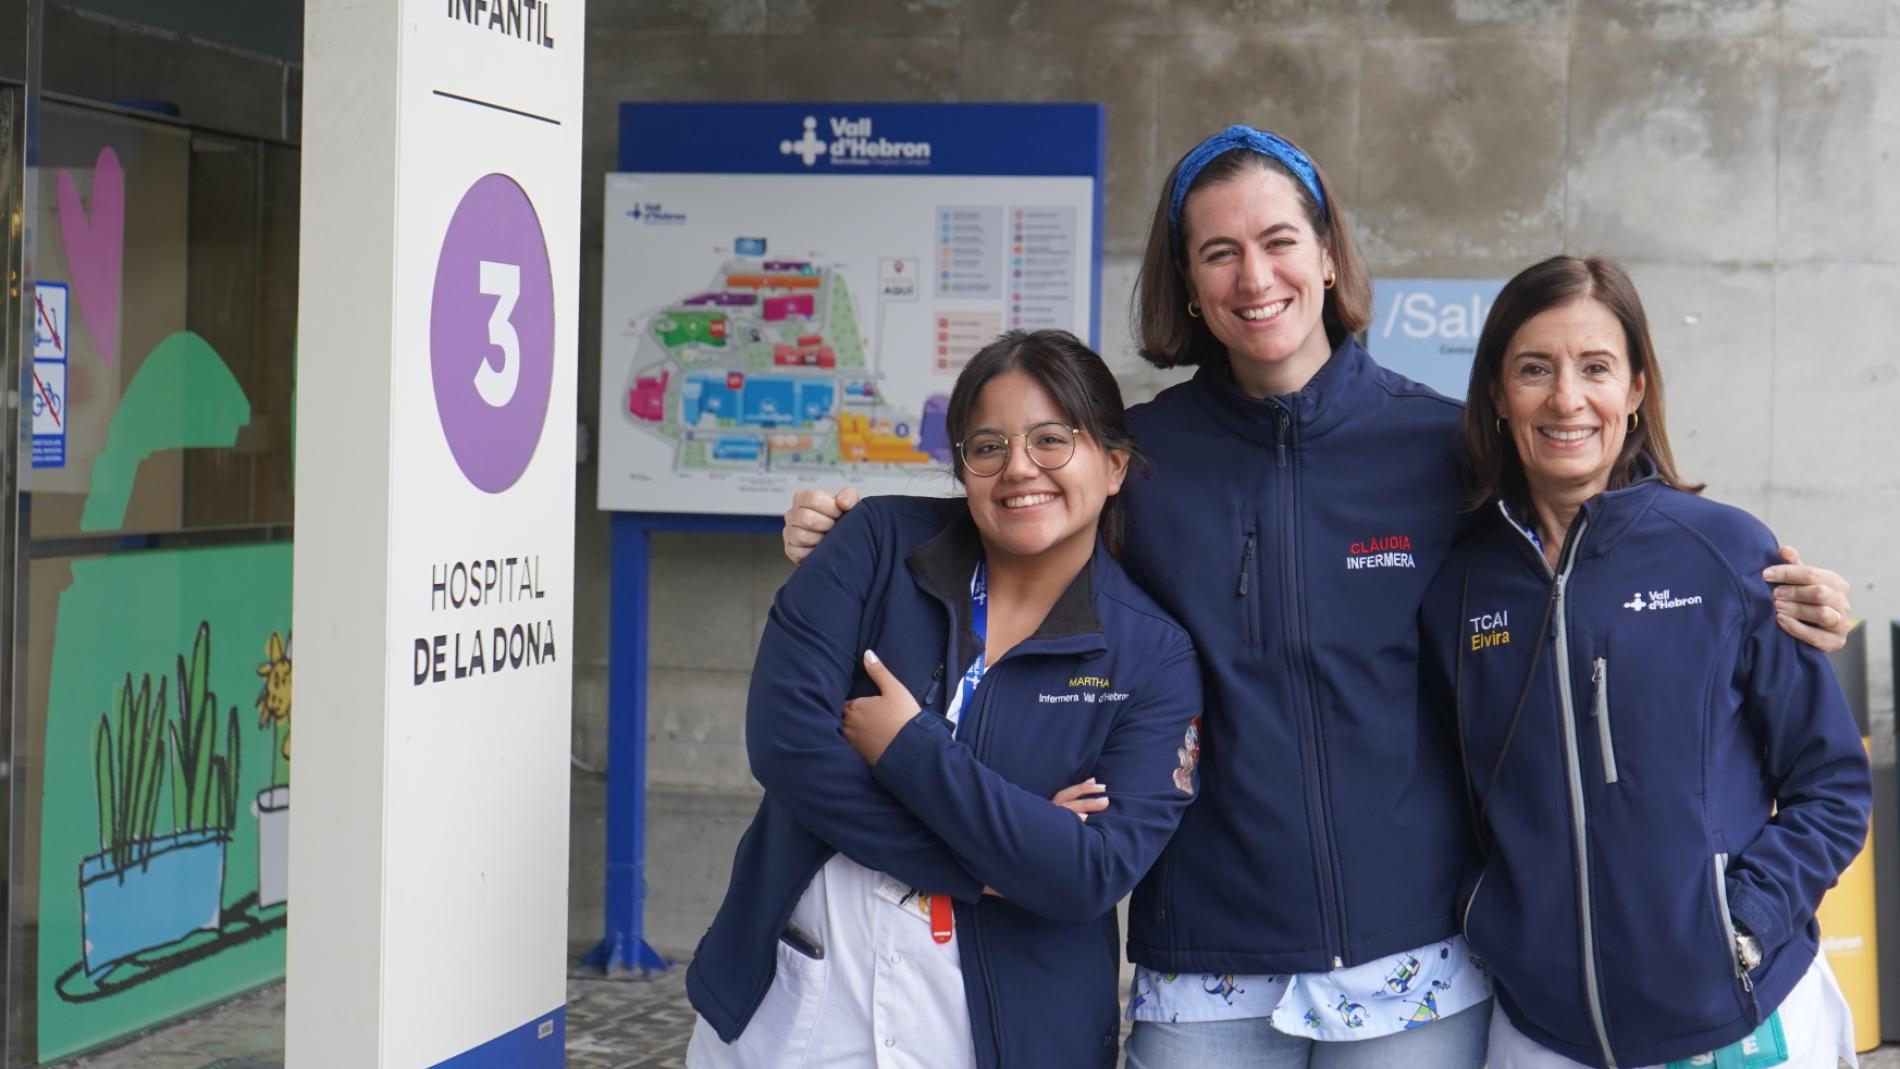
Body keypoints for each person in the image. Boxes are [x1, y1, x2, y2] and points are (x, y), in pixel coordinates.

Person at [780, 127, 1857, 1068]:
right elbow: (1013, 503)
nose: (1255, 278)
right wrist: (861, 531)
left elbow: (1601, 521)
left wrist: (1784, 590)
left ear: (1328, 253)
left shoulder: (1443, 447)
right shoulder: (1142, 459)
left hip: (1417, 967)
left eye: (1279, 241)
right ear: (1189, 286)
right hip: (1207, 963)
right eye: (1219, 252)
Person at [686, 330, 1205, 1069]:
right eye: (987, 445)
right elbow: (786, 744)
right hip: (795, 1009)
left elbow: (1087, 870)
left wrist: (906, 747)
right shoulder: (874, 546)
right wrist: (985, 864)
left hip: (1007, 1033)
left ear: (1114, 465)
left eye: (1053, 440)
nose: (1019, 468)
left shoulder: (1153, 656)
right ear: (962, 466)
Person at [1419, 255, 1870, 1069]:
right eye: (1533, 369)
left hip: (1736, 1019)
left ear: (1634, 388)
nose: (1566, 398)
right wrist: (1491, 919)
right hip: (1543, 1033)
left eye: (1595, 367)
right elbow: (1447, 801)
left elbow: (1831, 785)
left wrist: (1745, 922)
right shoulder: (1459, 590)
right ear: (1496, 392)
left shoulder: (1726, 552)